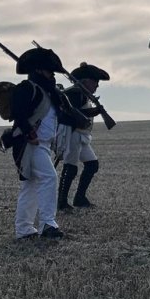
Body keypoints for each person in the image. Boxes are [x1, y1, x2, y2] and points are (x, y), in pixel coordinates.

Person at [9, 48, 87, 241]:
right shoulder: (27, 88)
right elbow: (18, 113)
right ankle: (47, 224)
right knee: (49, 178)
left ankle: (24, 229)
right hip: (30, 143)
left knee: (31, 186)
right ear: (38, 70)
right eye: (49, 71)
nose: (52, 75)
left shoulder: (49, 93)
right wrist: (29, 132)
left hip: (40, 144)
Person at [56, 63, 110, 210]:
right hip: (72, 134)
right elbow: (72, 113)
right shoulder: (74, 93)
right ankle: (62, 202)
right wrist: (95, 111)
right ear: (86, 81)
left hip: (81, 136)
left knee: (92, 164)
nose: (97, 85)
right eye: (95, 81)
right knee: (70, 167)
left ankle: (79, 198)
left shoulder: (82, 94)